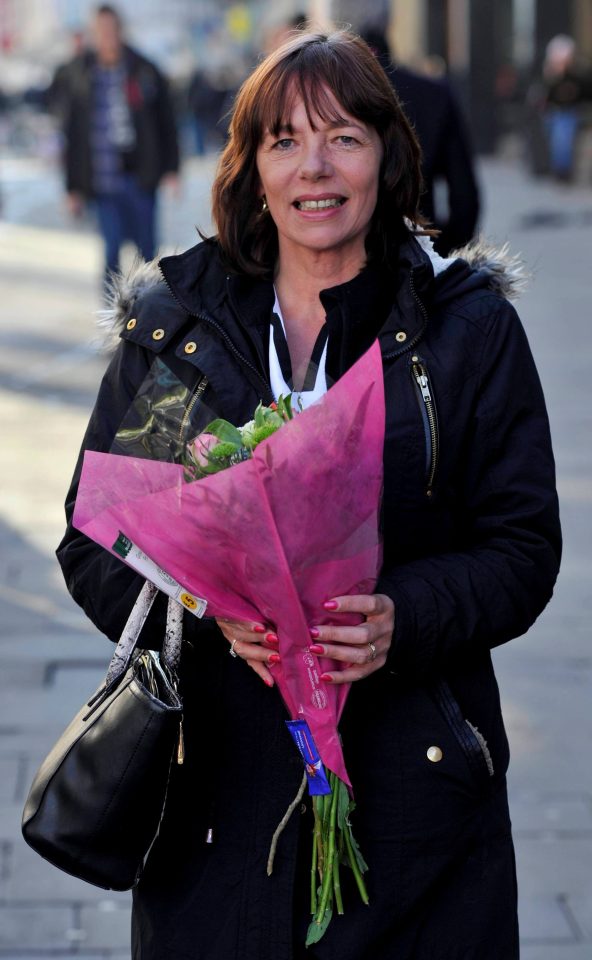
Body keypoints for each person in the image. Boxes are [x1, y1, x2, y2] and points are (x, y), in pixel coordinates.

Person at [56, 30, 561, 960]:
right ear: (250, 168)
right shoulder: (177, 329)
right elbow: (93, 543)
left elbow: (525, 547)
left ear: (387, 155)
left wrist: (400, 618)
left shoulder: (468, 331)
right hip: (215, 810)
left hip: (417, 799)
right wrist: (205, 613)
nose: (314, 168)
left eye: (344, 137)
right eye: (284, 140)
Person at [52, 4, 179, 288]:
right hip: (102, 183)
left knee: (148, 254)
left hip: (140, 178)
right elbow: (71, 136)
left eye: (111, 29)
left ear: (120, 31)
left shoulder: (144, 69)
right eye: (100, 31)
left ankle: (152, 322)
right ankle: (114, 324)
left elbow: (167, 122)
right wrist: (71, 187)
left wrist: (172, 169)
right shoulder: (80, 74)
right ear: (93, 34)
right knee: (110, 255)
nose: (106, 36)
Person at [360, 25, 480, 255]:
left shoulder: (338, 96)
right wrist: (448, 249)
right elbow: (464, 188)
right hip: (420, 238)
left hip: (354, 245)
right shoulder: (434, 93)